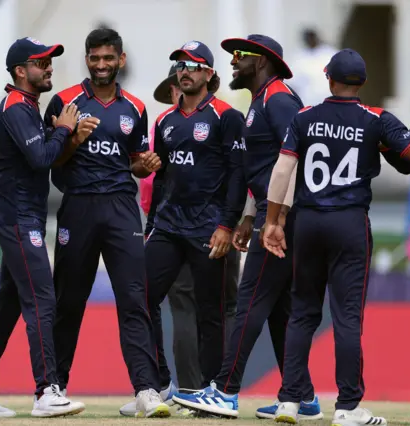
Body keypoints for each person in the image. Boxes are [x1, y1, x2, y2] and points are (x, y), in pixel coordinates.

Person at [262, 48, 410, 426]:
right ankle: (348, 408)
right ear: (363, 83)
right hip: (349, 223)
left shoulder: (305, 117)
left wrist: (273, 221)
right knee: (347, 319)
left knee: (302, 314)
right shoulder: (375, 119)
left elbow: (283, 169)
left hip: (309, 223)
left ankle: (288, 401)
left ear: (327, 77)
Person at [172, 34, 322, 420]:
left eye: (240, 55)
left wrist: (276, 220)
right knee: (277, 310)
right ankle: (302, 395)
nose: (233, 61)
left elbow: (296, 163)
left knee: (251, 304)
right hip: (274, 220)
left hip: (285, 222)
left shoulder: (279, 100)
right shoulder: (261, 100)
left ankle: (224, 391)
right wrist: (251, 216)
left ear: (263, 60)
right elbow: (267, 169)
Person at [44, 28, 170, 418]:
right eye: (94, 58)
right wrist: (72, 140)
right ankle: (54, 387)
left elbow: (132, 159)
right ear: (86, 60)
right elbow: (50, 160)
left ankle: (146, 391)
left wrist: (143, 164)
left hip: (120, 208)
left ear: (121, 60)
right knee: (69, 301)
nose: (101, 65)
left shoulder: (134, 106)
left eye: (108, 58)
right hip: (78, 205)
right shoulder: (65, 101)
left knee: (134, 299)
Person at [0, 37, 89, 418]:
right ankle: (46, 391)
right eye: (41, 62)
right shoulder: (17, 106)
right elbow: (41, 158)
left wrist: (62, 132)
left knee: (10, 300)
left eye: (50, 62)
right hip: (16, 215)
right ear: (20, 70)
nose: (49, 67)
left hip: (22, 213)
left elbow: (41, 152)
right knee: (42, 299)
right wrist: (64, 130)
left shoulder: (28, 107)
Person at [120, 40, 247, 417]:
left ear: (209, 73)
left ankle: (214, 394)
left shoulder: (226, 117)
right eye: (179, 65)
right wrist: (152, 220)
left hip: (209, 229)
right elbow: (157, 177)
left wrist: (227, 225)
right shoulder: (166, 121)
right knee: (140, 300)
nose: (184, 71)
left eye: (193, 65)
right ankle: (156, 383)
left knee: (211, 313)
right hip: (169, 227)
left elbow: (238, 176)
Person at [290, 29, 338, 107]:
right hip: (308, 102)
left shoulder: (330, 53)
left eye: (311, 38)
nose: (310, 40)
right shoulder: (299, 57)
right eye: (307, 39)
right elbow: (293, 82)